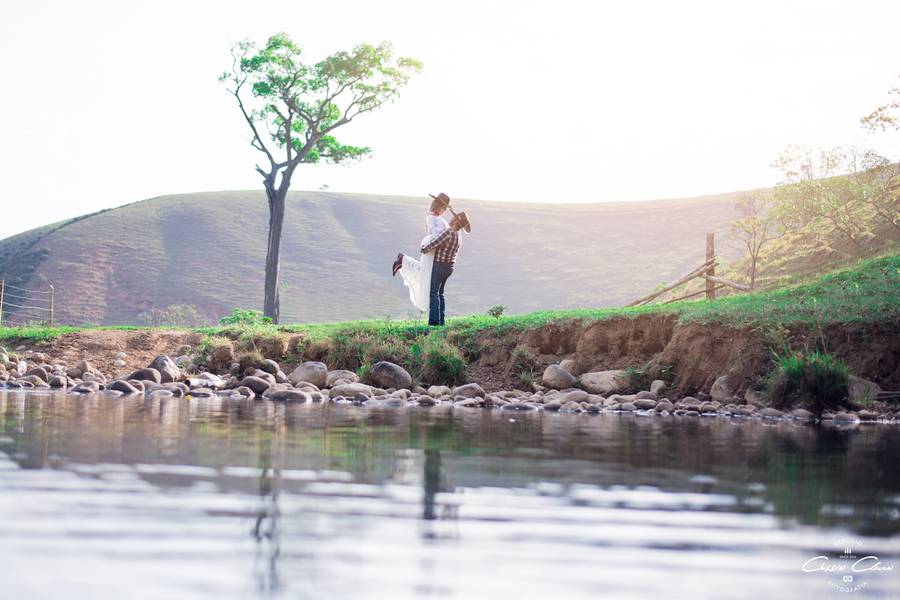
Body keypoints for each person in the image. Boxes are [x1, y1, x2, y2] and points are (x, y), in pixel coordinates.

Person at [393, 193, 452, 313]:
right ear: (438, 206)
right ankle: (403, 260)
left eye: (445, 208)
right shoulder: (430, 218)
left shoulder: (441, 219)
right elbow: (432, 232)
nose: (444, 210)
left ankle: (403, 260)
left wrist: (447, 232)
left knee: (425, 271)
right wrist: (446, 232)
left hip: (437, 248)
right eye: (444, 208)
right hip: (431, 247)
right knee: (426, 272)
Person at [419, 207, 471, 326]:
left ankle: (434, 322)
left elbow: (435, 242)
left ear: (456, 221)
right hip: (449, 267)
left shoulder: (448, 232)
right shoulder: (459, 235)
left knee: (433, 293)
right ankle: (441, 321)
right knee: (440, 293)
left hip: (439, 266)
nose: (452, 218)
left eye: (454, 217)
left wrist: (423, 249)